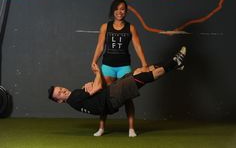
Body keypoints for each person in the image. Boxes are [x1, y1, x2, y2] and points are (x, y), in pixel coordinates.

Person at [48, 46, 186, 136]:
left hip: (111, 95)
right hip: (112, 96)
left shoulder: (75, 99)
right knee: (145, 77)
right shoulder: (74, 97)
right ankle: (175, 63)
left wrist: (91, 85)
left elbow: (94, 92)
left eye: (61, 89)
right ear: (60, 101)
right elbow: (97, 88)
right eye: (59, 94)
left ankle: (173, 65)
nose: (63, 91)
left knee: (138, 71)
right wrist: (97, 74)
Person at [91, 0, 149, 137]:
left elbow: (137, 46)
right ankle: (101, 128)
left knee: (127, 97)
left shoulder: (131, 28)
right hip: (107, 66)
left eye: (122, 9)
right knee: (104, 96)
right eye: (117, 9)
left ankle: (131, 129)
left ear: (126, 11)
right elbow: (100, 45)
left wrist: (144, 64)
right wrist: (94, 61)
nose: (119, 12)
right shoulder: (105, 27)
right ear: (113, 11)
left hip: (124, 66)